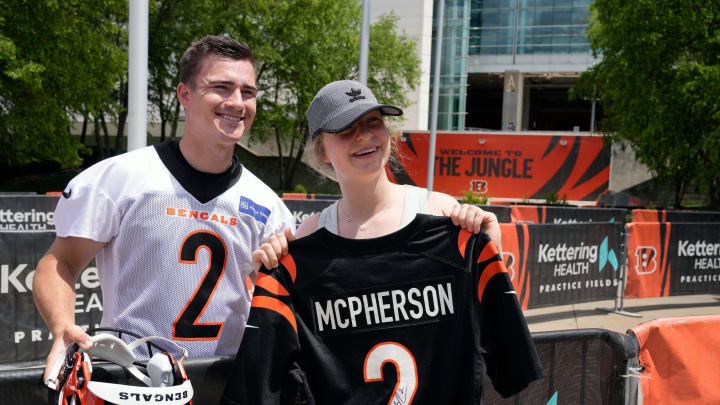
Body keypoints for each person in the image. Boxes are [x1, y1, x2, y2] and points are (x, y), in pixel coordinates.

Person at [220, 80, 543, 404]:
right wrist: (266, 275)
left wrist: (490, 249)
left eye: (373, 122)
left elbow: (505, 350)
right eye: (346, 129)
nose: (364, 136)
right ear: (321, 150)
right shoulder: (304, 245)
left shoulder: (448, 219)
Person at [33, 35, 295, 383]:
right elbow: (59, 262)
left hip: (225, 382)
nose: (237, 102)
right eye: (221, 87)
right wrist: (62, 326)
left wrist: (270, 273)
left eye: (248, 92)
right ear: (185, 94)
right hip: (134, 379)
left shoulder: (267, 205)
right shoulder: (120, 178)